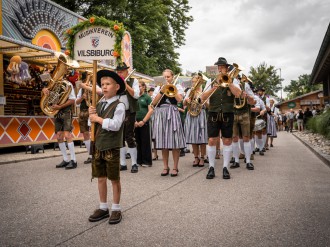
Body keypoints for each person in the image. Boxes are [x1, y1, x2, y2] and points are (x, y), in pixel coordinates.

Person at [87, 70, 126, 224]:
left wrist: (98, 118)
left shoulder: (120, 105)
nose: (104, 87)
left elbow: (116, 125)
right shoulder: (99, 103)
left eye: (107, 84)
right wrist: (92, 116)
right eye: (102, 84)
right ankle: (103, 207)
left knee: (114, 179)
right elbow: (93, 124)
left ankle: (116, 208)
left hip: (112, 147)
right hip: (98, 145)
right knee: (100, 178)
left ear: (116, 87)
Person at [200, 57, 241, 179]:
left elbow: (238, 94)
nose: (220, 69)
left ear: (227, 68)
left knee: (227, 140)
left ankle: (225, 168)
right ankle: (211, 167)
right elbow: (203, 97)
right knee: (212, 140)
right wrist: (213, 88)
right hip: (213, 113)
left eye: (222, 67)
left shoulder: (233, 80)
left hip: (228, 113)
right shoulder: (211, 80)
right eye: (218, 67)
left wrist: (229, 83)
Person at [151, 69, 186, 177]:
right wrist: (162, 90)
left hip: (173, 113)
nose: (166, 79)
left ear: (172, 77)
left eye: (168, 77)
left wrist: (172, 88)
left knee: (175, 142)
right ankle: (165, 167)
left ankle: (175, 167)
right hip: (161, 114)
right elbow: (154, 103)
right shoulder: (158, 87)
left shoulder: (178, 86)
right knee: (163, 142)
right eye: (164, 77)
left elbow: (180, 100)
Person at [42, 70, 78, 170]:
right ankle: (66, 159)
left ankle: (73, 160)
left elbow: (72, 100)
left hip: (66, 111)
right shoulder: (51, 85)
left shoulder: (68, 84)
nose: (55, 76)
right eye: (54, 74)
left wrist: (60, 106)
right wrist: (44, 90)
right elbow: (47, 97)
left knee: (67, 135)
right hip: (57, 112)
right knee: (59, 136)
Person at [116, 63, 140, 173]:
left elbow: (136, 95)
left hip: (129, 111)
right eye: (118, 71)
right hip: (118, 111)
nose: (119, 73)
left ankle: (134, 163)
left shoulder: (133, 81)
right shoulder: (115, 81)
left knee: (129, 136)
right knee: (119, 137)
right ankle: (123, 163)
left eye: (121, 71)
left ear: (127, 72)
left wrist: (125, 84)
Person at [230, 75, 256, 170]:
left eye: (236, 74)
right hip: (232, 113)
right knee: (234, 138)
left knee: (246, 137)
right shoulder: (227, 85)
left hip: (244, 113)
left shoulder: (245, 85)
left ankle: (248, 161)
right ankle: (236, 160)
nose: (234, 77)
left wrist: (248, 97)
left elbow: (253, 101)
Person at [75, 72, 102, 164]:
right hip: (83, 112)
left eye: (89, 79)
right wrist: (82, 97)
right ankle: (90, 155)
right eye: (85, 79)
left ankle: (96, 153)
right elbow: (76, 102)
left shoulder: (96, 86)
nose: (86, 81)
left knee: (94, 132)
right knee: (85, 133)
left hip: (93, 111)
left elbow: (99, 93)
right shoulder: (81, 89)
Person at [183, 73, 208, 168]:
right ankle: (196, 157)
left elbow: (208, 105)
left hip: (201, 114)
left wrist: (202, 100)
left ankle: (202, 157)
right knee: (193, 137)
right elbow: (184, 103)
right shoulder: (190, 90)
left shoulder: (204, 91)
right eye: (193, 82)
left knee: (202, 138)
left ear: (200, 82)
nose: (194, 84)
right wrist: (187, 101)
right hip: (191, 114)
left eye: (195, 82)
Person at [134, 81, 153, 167]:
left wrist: (143, 121)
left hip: (144, 122)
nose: (138, 88)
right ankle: (139, 160)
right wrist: (135, 121)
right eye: (137, 87)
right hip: (136, 122)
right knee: (138, 142)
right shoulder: (135, 97)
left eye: (140, 86)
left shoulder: (147, 97)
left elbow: (151, 110)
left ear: (144, 87)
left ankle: (147, 161)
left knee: (145, 142)